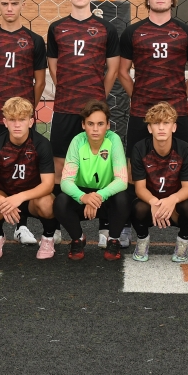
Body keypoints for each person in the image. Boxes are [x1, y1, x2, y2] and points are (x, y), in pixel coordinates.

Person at [118, 0, 188, 249]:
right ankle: (129, 227)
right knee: (134, 169)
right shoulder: (133, 32)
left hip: (177, 111)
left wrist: (178, 98)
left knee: (181, 166)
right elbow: (122, 71)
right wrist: (142, 100)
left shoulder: (186, 32)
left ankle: (187, 229)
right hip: (140, 111)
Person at [0, 0, 47, 246]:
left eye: (14, 4)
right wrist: (1, 106)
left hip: (24, 120)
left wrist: (25, 111)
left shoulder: (34, 40)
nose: (9, 8)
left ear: (22, 6)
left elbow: (39, 82)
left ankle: (21, 226)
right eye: (5, 3)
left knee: (24, 171)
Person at [46, 0, 120, 181]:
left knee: (99, 162)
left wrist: (97, 98)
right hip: (64, 106)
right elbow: (53, 66)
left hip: (94, 110)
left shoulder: (107, 28)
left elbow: (113, 69)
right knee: (60, 163)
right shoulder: (56, 28)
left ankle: (98, 208)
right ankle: (62, 211)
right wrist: (67, 90)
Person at [0, 97, 56, 260]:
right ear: (5, 122)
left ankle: (48, 238)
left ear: (31, 121)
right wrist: (2, 201)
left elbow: (48, 185)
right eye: (12, 120)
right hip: (6, 196)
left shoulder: (42, 144)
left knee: (48, 202)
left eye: (22, 119)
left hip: (32, 198)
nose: (17, 124)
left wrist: (20, 198)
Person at [54, 100, 129, 261]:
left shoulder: (113, 140)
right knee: (60, 201)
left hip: (106, 196)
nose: (95, 129)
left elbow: (122, 180)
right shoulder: (77, 141)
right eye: (90, 124)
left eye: (100, 124)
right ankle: (78, 238)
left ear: (108, 125)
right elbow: (66, 181)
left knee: (124, 197)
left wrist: (98, 196)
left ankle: (113, 239)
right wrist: (84, 197)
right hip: (81, 194)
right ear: (83, 125)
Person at [129, 102, 188, 263]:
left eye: (166, 123)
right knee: (136, 206)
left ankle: (183, 241)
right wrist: (154, 201)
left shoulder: (184, 149)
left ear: (174, 127)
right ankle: (142, 240)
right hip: (150, 205)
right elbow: (140, 188)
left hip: (175, 207)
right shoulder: (140, 148)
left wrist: (171, 200)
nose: (161, 128)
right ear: (149, 128)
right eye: (156, 123)